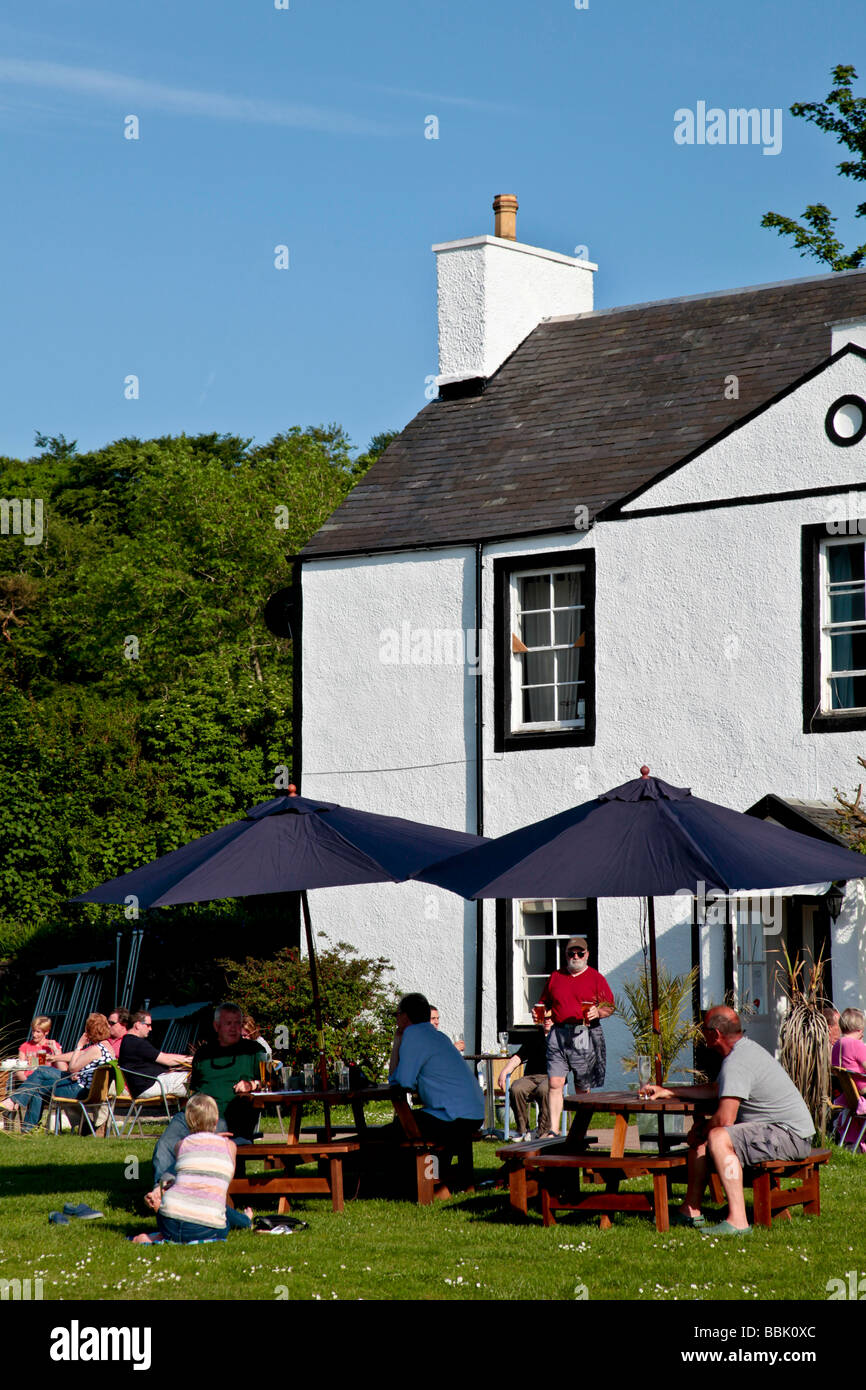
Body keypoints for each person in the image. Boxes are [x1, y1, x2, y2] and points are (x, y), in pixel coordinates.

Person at [644, 1005, 815, 1236]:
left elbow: (725, 1119)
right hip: (781, 1132)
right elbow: (717, 1090)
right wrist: (671, 1092)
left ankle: (738, 1221)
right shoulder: (742, 1052)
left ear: (715, 1034)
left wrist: (702, 1129)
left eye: (703, 1029)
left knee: (717, 1135)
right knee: (705, 1138)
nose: (701, 1034)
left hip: (790, 1135)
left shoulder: (737, 1062)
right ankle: (690, 1211)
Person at [149, 1002, 265, 1195]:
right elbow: (194, 1088)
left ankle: (170, 1191)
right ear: (216, 1026)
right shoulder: (204, 1053)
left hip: (226, 1116)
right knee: (165, 1144)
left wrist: (252, 1085)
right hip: (193, 1113)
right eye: (229, 1023)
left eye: (238, 1023)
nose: (235, 1028)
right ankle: (161, 1190)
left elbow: (272, 1083)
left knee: (199, 1144)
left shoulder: (252, 1051)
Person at [132, 1094, 252, 1244]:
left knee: (190, 1197)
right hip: (206, 1229)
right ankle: (246, 1220)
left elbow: (193, 1156)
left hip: (169, 1222)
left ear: (187, 1122)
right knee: (219, 1208)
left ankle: (159, 1234)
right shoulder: (230, 1147)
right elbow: (226, 1178)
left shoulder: (180, 1145)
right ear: (216, 1121)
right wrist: (216, 1140)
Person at [537, 936, 614, 1136]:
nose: (576, 957)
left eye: (580, 953)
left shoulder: (596, 978)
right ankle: (554, 1130)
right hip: (558, 1032)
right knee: (555, 1082)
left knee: (582, 1086)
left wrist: (598, 1011)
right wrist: (540, 1013)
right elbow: (545, 1003)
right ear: (566, 955)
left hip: (583, 1031)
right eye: (572, 953)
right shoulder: (556, 977)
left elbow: (610, 1006)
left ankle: (579, 1131)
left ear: (587, 954)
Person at [388, 993, 484, 1142]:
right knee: (403, 1126)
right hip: (474, 1115)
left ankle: (425, 1165)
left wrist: (397, 1041)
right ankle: (436, 1164)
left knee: (390, 1134)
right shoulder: (439, 1036)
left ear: (406, 1017)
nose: (396, 1019)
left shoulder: (413, 1035)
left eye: (397, 1014)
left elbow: (401, 1082)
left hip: (452, 1117)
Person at [1, 1014, 115, 1132]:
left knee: (39, 1088)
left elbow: (71, 1068)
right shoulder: (106, 1047)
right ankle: (18, 1110)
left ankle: (25, 1123)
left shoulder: (95, 1050)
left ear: (90, 1031)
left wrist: (79, 1046)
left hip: (80, 1089)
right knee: (41, 1071)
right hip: (84, 1085)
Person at [496, 1012, 553, 1140]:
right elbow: (519, 1056)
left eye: (550, 1018)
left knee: (544, 1090)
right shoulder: (534, 1036)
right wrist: (504, 1071)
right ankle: (522, 1130)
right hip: (531, 1077)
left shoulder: (559, 1036)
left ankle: (542, 1131)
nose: (547, 1020)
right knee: (516, 1088)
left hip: (552, 1076)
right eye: (544, 1018)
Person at [119, 1011, 192, 1102]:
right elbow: (166, 1059)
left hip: (146, 1085)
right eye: (148, 1025)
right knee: (193, 1078)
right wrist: (190, 1059)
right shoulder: (136, 1043)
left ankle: (187, 1111)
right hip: (149, 1086)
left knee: (188, 1080)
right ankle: (196, 1111)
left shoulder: (129, 1041)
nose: (151, 1029)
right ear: (137, 1025)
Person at [13, 1017, 63, 1082]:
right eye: (33, 1030)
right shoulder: (25, 1046)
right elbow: (19, 1072)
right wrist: (30, 1084)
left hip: (48, 1081)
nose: (34, 1034)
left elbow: (62, 1070)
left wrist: (55, 1050)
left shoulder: (53, 1045)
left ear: (46, 1032)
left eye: (38, 1032)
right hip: (29, 1081)